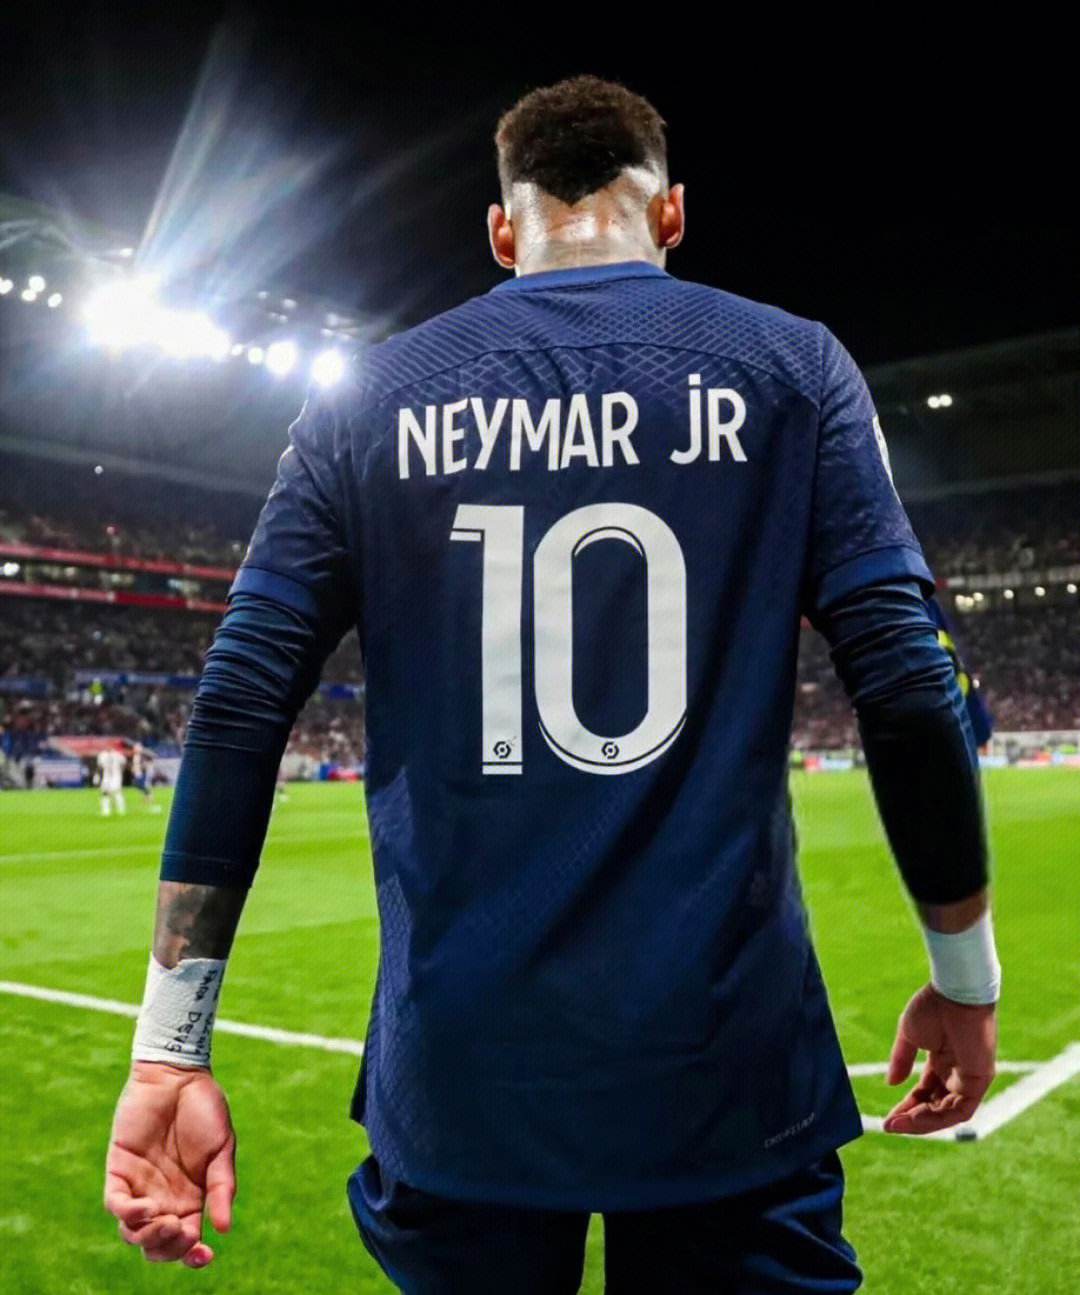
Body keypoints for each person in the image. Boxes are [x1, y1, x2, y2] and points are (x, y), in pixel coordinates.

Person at [104, 77, 999, 1291]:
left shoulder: (367, 399)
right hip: (725, 1059)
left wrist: (170, 1049)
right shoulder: (793, 367)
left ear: (501, 229)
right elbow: (905, 678)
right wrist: (964, 979)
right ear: (672, 213)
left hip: (461, 1069)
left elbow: (238, 703)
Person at [96, 744, 127, 817]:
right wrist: (98, 775)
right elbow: (100, 766)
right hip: (107, 776)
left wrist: (120, 771)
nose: (108, 747)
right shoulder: (102, 755)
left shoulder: (117, 754)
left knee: (117, 792)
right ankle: (106, 811)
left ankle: (121, 810)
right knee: (105, 793)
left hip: (116, 776)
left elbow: (124, 763)